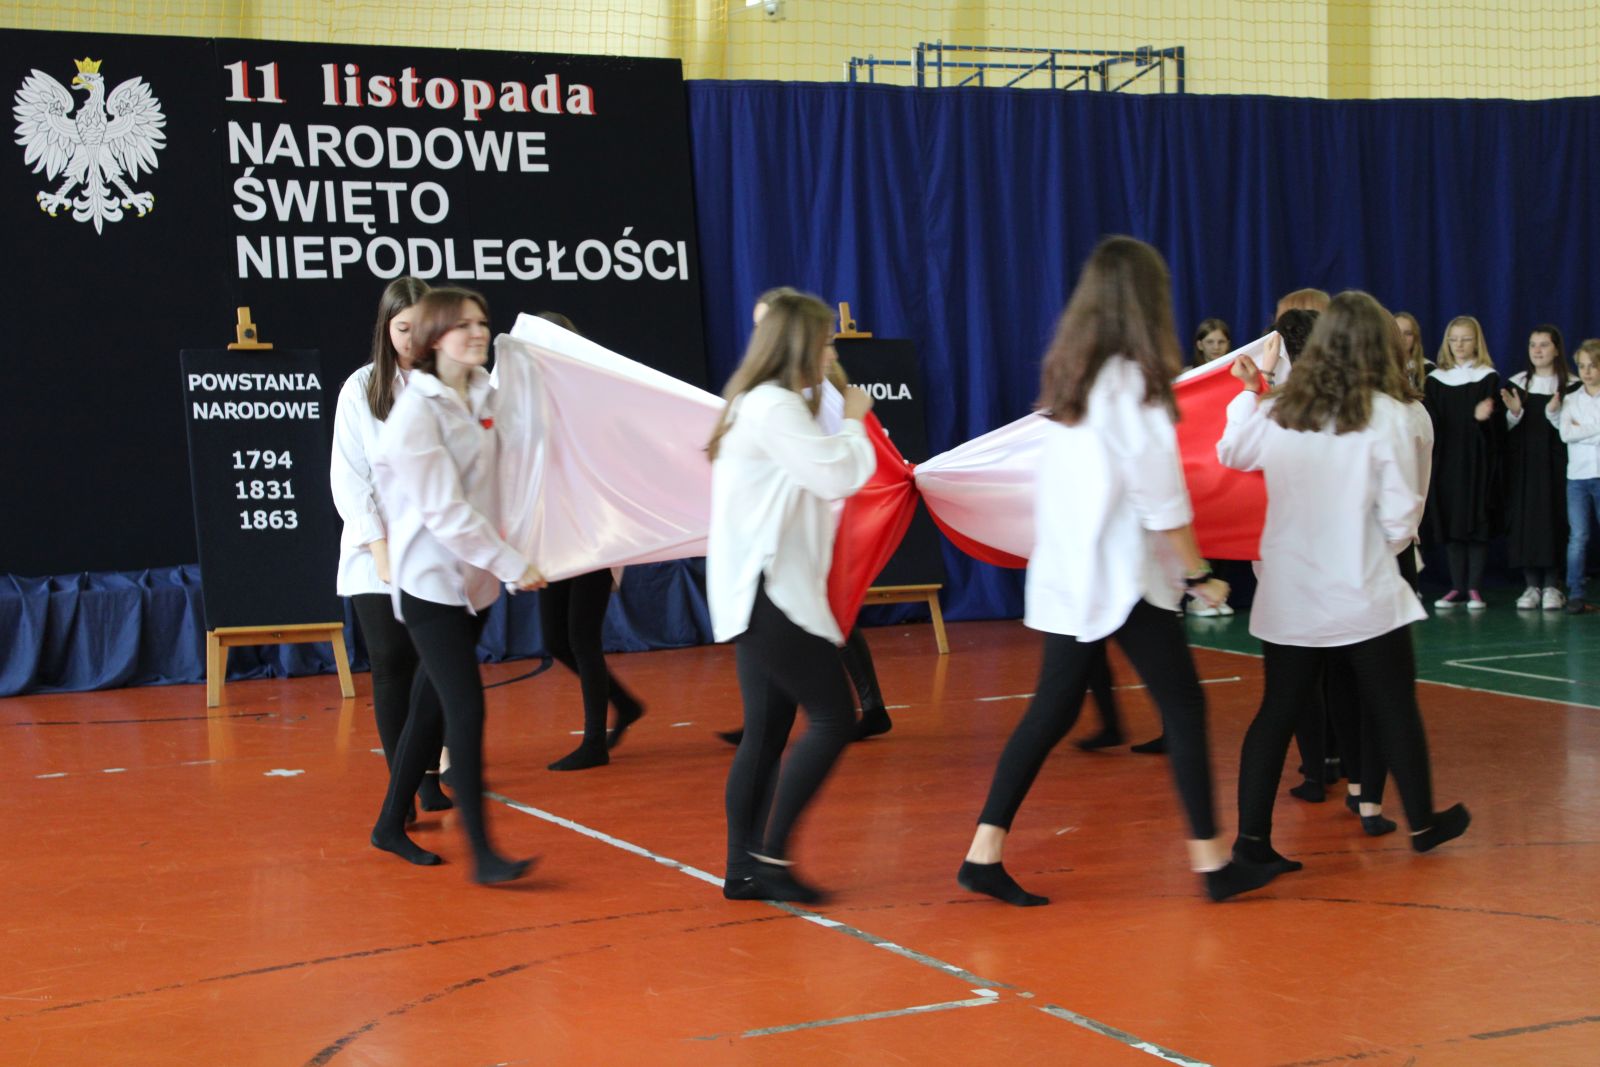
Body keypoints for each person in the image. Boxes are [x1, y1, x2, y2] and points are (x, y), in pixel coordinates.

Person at [957, 236, 1278, 907]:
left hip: (1071, 571)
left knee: (1053, 710)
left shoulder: (1075, 378)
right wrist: (1200, 573)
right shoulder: (1133, 383)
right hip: (1119, 578)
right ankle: (1213, 864)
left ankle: (983, 852)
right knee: (1181, 705)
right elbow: (1160, 497)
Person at [1218, 290, 1470, 869]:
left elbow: (1232, 453)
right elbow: (1402, 517)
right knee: (1394, 705)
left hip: (1289, 590)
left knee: (1277, 711)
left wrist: (1250, 392)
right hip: (1361, 589)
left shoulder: (1283, 408)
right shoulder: (1387, 415)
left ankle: (1251, 844)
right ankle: (1423, 821)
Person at [369, 287, 545, 885]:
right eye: (463, 324)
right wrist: (511, 562)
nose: (478, 333)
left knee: (427, 707)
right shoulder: (415, 417)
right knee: (463, 709)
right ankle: (485, 855)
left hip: (473, 582)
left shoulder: (483, 393)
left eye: (482, 323)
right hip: (431, 585)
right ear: (434, 337)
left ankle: (388, 824)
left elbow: (521, 457)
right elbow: (446, 513)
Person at [709, 291, 877, 904]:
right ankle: (772, 857)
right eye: (825, 342)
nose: (831, 352)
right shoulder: (774, 406)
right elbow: (837, 475)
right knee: (834, 718)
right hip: (770, 590)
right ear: (801, 344)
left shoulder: (755, 402)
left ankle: (742, 869)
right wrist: (855, 417)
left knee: (766, 732)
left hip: (758, 589)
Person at [717, 287, 893, 747]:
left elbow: (835, 468)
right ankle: (832, 709)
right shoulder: (771, 401)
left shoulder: (790, 396)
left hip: (812, 528)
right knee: (817, 625)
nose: (832, 351)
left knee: (828, 618)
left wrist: (852, 425)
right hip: (786, 543)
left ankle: (866, 704)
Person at [330, 277, 452, 819]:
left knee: (436, 667)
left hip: (436, 551)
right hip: (374, 551)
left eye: (421, 329)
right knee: (390, 664)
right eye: (402, 328)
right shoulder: (360, 388)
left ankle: (428, 779)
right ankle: (399, 793)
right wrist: (379, 549)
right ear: (386, 328)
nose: (411, 339)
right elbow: (349, 477)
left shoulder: (450, 384)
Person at [527, 311, 647, 771]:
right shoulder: (529, 401)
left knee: (580, 636)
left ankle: (594, 741)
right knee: (556, 638)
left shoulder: (593, 398)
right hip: (556, 535)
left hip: (596, 534)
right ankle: (625, 704)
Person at [1425, 315, 1502, 610]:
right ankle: (1457, 586)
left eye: (1466, 339)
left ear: (1476, 342)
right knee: (1452, 522)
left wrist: (1485, 419)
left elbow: (1497, 431)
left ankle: (1474, 587)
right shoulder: (1436, 380)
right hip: (1447, 460)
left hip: (1477, 461)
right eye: (1453, 339)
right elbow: (1432, 422)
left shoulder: (1488, 377)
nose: (1459, 345)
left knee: (1476, 519)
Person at [1502, 325, 1571, 611]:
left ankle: (1553, 585)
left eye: (1544, 344)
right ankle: (1531, 585)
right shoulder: (1517, 384)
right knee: (1527, 521)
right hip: (1525, 466)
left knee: (1555, 519)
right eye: (1533, 345)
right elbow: (1503, 430)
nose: (1538, 350)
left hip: (1557, 465)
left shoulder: (1571, 385)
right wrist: (1514, 413)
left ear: (1556, 349)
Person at [1559, 339, 1600, 614]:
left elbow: (1575, 433)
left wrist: (1581, 429)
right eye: (1582, 366)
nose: (1586, 371)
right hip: (1577, 477)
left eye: (1593, 366)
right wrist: (1596, 429)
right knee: (1578, 537)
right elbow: (1565, 434)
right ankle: (1575, 593)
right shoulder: (1571, 399)